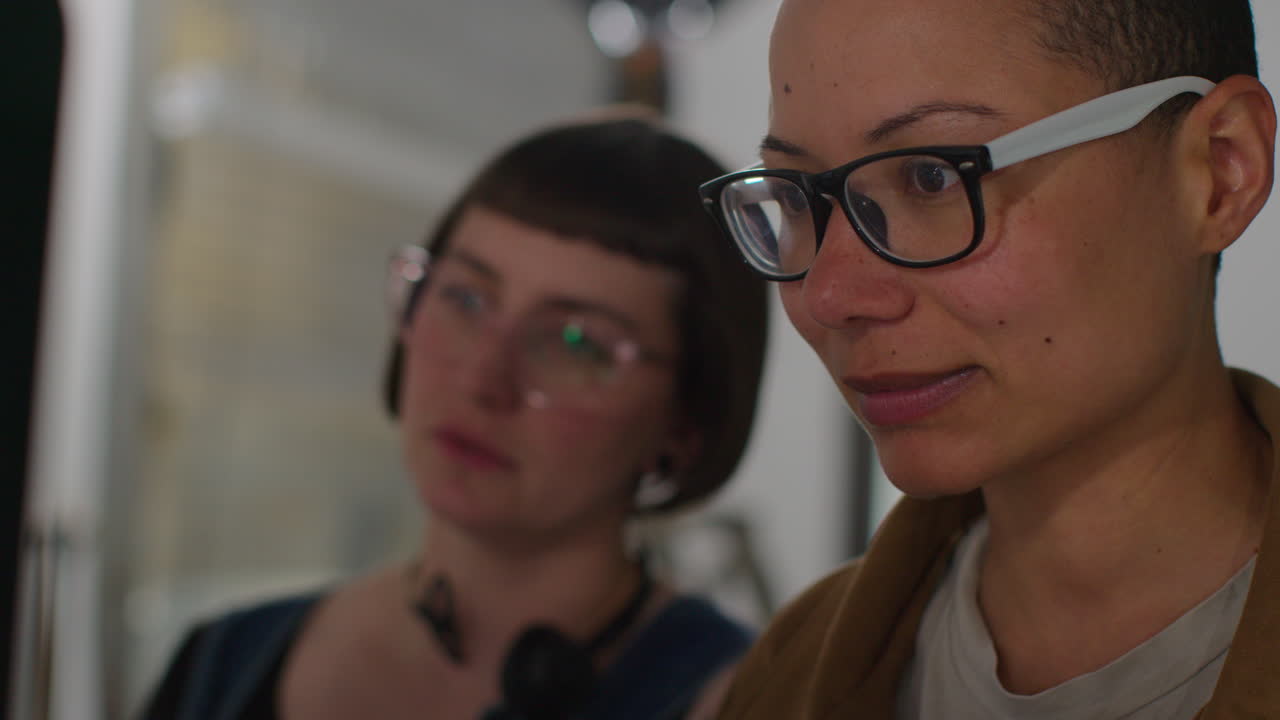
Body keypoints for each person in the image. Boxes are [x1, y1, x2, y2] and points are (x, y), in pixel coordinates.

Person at [697, 0, 1279, 718]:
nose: (831, 295)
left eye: (932, 177)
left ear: (1221, 169)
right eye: (797, 200)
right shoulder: (785, 675)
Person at [140, 112, 769, 720]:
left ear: (684, 424)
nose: (482, 380)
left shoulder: (745, 700)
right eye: (465, 298)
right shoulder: (223, 665)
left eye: (576, 343)